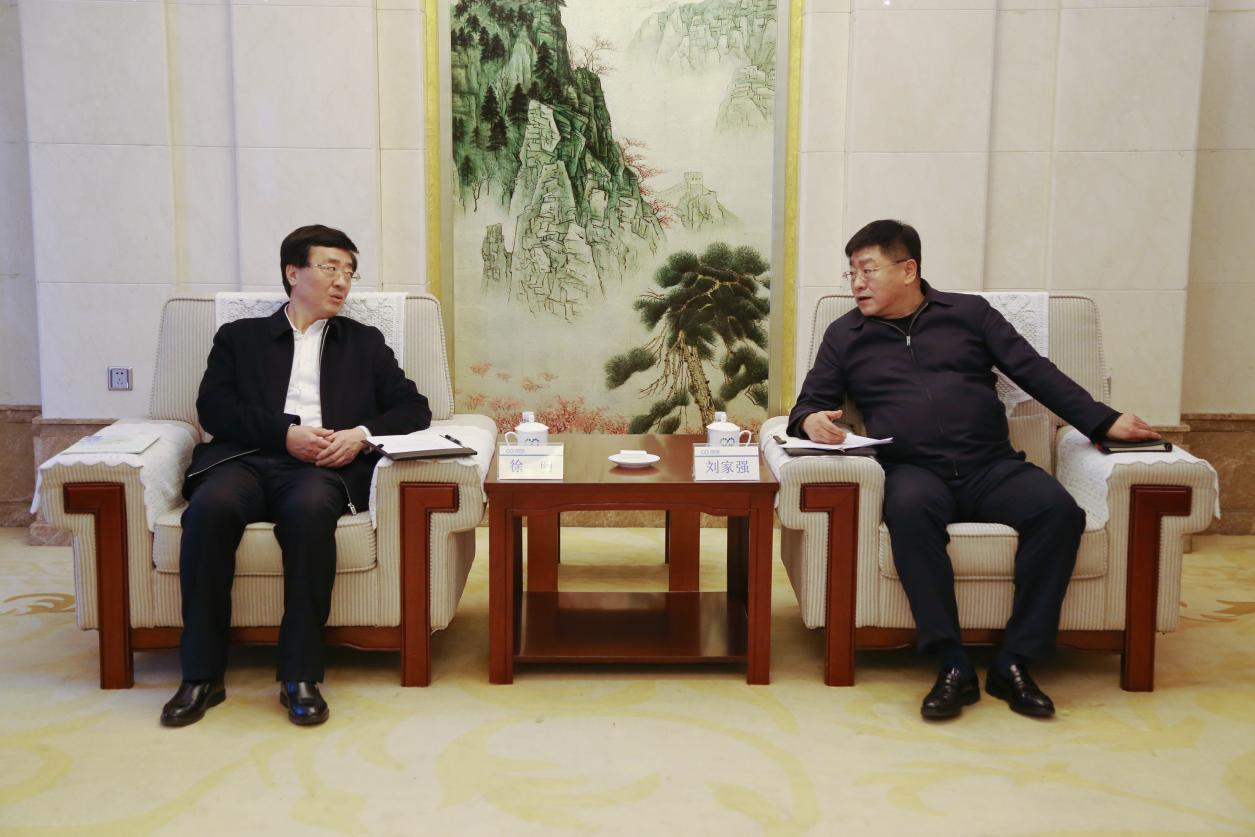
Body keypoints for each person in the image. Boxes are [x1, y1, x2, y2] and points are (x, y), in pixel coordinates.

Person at [788, 219, 1159, 720]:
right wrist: (810, 420)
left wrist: (1103, 420)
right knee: (909, 513)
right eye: (851, 273)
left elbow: (1034, 371)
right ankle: (952, 663)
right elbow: (809, 402)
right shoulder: (845, 334)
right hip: (912, 470)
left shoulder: (968, 314)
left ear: (908, 270)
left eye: (867, 270)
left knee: (1058, 512)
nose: (856, 283)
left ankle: (1015, 661)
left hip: (991, 465)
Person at [160, 225, 430, 727]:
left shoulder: (364, 343)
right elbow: (214, 408)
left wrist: (360, 435)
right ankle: (201, 675)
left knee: (309, 515)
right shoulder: (240, 337)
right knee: (210, 510)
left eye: (349, 272)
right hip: (243, 460)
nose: (342, 281)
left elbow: (415, 408)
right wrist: (283, 434)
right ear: (293, 272)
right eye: (330, 267)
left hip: (319, 469)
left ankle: (300, 675)